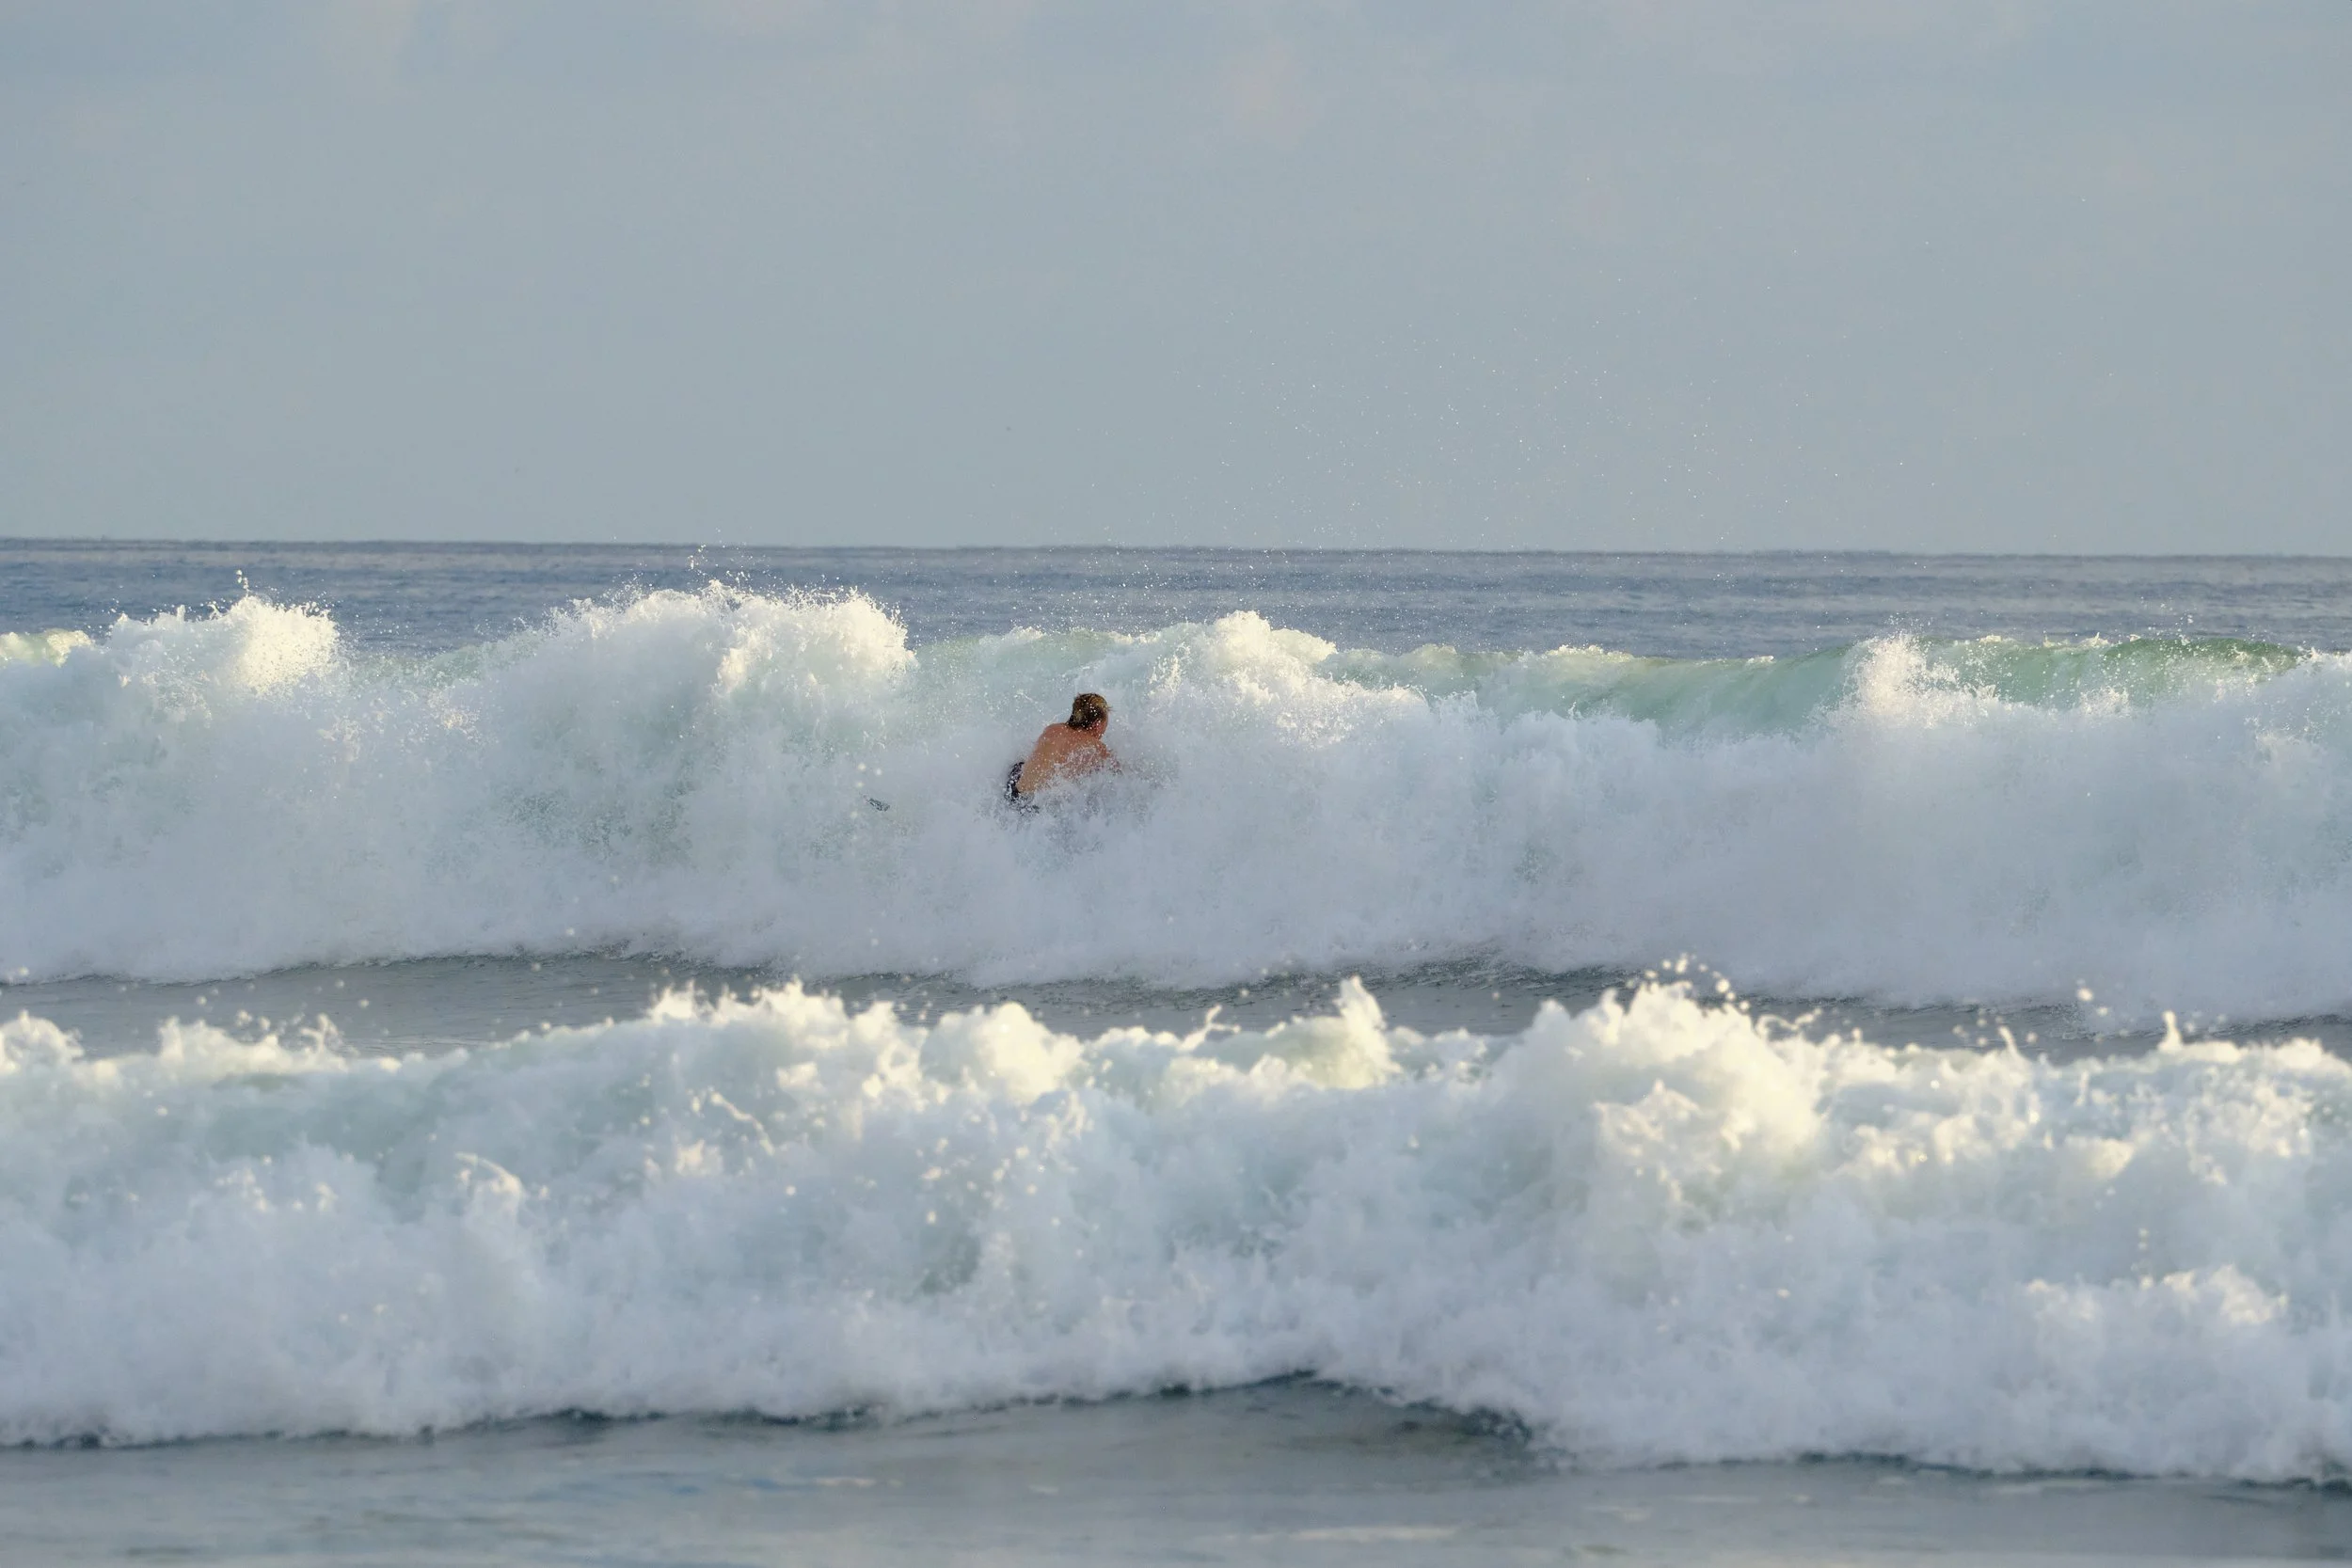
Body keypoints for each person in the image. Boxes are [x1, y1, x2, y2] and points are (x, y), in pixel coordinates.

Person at [1007, 692, 1119, 808]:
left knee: (1020, 766)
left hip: (1015, 792)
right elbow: (1118, 771)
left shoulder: (1053, 729)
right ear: (1097, 724)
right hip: (1037, 803)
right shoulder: (1096, 747)